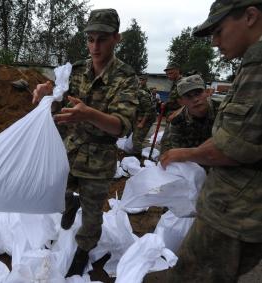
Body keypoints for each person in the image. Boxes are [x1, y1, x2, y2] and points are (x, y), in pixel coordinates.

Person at [160, 1, 262, 282]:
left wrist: (190, 154)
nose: (215, 43)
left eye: (219, 31)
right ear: (181, 100)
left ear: (251, 16)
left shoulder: (256, 65)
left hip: (234, 206)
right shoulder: (178, 122)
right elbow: (168, 152)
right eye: (188, 96)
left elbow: (231, 146)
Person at [32, 8, 138, 277]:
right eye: (90, 39)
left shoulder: (126, 78)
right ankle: (69, 211)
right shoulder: (76, 70)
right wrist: (47, 92)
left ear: (117, 38)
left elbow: (121, 126)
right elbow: (59, 96)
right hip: (69, 152)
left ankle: (82, 250)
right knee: (61, 195)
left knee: (92, 215)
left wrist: (88, 114)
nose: (94, 46)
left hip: (99, 161)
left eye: (102, 39)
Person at [165, 74, 220, 151]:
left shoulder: (223, 111)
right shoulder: (178, 123)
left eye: (198, 93)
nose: (195, 99)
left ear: (207, 93)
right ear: (181, 102)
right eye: (188, 96)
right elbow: (179, 152)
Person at [159, 62, 182, 154]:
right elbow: (173, 98)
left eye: (171, 73)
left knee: (167, 142)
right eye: (167, 74)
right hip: (172, 115)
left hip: (177, 115)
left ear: (177, 71)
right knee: (167, 141)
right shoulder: (175, 83)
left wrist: (177, 112)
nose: (168, 76)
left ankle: (164, 161)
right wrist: (166, 103)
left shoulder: (182, 83)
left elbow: (186, 102)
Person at [131, 80, 157, 157]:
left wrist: (142, 123)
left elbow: (149, 110)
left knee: (137, 138)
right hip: (140, 115)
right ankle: (135, 152)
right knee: (135, 136)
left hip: (148, 117)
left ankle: (137, 156)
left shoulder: (142, 95)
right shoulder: (132, 93)